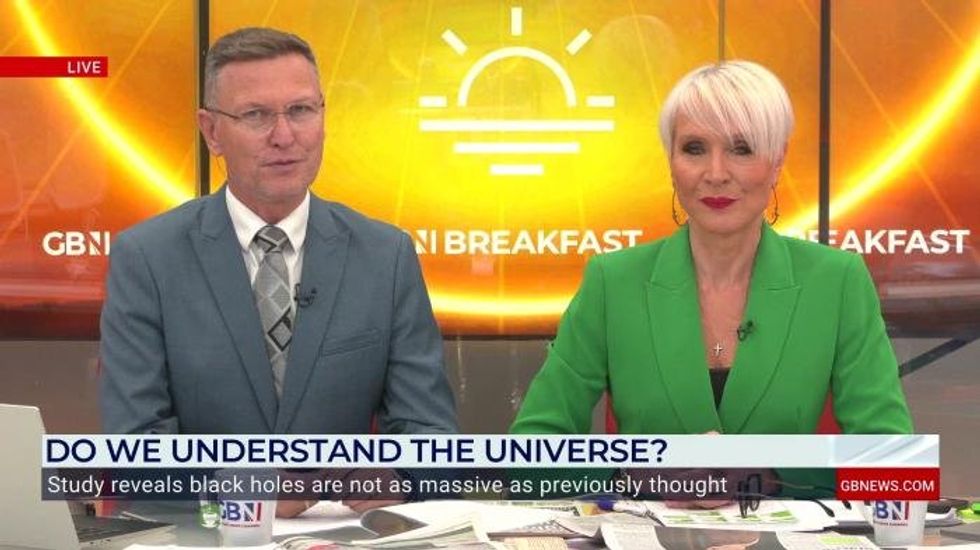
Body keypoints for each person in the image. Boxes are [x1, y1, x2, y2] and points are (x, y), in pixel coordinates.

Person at [510, 60, 912, 497]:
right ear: (671, 161)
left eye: (741, 148)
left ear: (777, 161)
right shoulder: (613, 282)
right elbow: (526, 458)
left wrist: (769, 475)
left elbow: (895, 466)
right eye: (695, 148)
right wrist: (635, 475)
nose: (716, 173)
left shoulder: (837, 282)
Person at [99, 27, 458, 511]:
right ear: (211, 131)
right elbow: (134, 448)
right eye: (256, 115)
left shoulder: (385, 255)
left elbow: (432, 438)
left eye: (301, 110)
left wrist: (400, 478)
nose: (284, 136)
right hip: (203, 535)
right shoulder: (147, 257)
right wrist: (240, 490)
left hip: (341, 535)